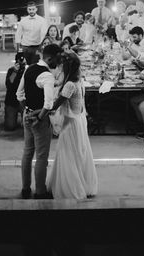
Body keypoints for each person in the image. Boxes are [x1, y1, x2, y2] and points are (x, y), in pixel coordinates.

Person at [47, 51, 98, 199]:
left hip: (71, 123)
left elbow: (55, 106)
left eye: (61, 65)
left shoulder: (69, 85)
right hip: (79, 119)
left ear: (65, 66)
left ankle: (71, 188)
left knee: (68, 154)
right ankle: (82, 183)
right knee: (78, 154)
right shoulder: (78, 80)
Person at [16, 44, 62, 199]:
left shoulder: (29, 68)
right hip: (39, 119)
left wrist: (26, 112)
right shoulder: (47, 76)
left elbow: (19, 94)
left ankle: (25, 189)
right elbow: (48, 104)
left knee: (27, 153)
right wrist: (40, 117)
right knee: (42, 156)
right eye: (58, 58)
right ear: (50, 58)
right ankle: (40, 191)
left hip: (27, 114)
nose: (59, 61)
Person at [4, 53, 26, 131]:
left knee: (26, 126)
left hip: (24, 101)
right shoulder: (11, 70)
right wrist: (15, 72)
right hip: (12, 101)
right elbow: (9, 85)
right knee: (10, 126)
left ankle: (24, 118)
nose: (22, 63)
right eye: (20, 61)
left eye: (23, 61)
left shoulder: (28, 71)